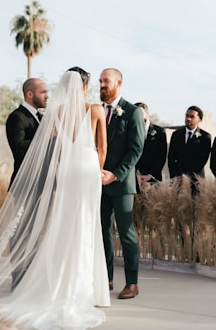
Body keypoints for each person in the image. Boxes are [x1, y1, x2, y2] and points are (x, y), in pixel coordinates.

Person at [0, 68, 110, 330]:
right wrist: (97, 168)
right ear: (85, 86)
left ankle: (60, 282)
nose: (47, 95)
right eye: (43, 91)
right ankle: (86, 286)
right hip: (88, 170)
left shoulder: (56, 114)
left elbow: (56, 148)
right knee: (86, 224)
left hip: (66, 172)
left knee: (65, 225)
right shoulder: (94, 110)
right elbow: (101, 148)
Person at [100, 68, 145, 300]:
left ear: (118, 83)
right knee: (103, 231)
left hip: (121, 183)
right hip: (99, 183)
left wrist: (115, 175)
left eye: (105, 81)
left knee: (126, 233)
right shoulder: (98, 110)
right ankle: (106, 278)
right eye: (99, 81)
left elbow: (136, 150)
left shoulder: (132, 112)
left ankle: (132, 283)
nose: (101, 85)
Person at [6, 77, 48, 187]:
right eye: (43, 92)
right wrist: (46, 136)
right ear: (30, 94)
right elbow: (19, 149)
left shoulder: (41, 117)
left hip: (42, 183)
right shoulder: (17, 117)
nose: (47, 96)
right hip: (24, 184)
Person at [168, 105, 211, 195]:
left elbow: (202, 160)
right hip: (177, 180)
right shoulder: (176, 134)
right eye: (187, 115)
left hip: (195, 180)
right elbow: (171, 157)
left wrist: (186, 177)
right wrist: (176, 176)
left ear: (199, 119)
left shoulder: (205, 137)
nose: (188, 119)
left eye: (192, 117)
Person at [135, 102, 167, 187]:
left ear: (147, 112)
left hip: (153, 178)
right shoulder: (131, 132)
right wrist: (135, 175)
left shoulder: (160, 132)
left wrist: (151, 175)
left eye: (140, 113)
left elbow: (162, 156)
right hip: (135, 178)